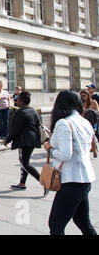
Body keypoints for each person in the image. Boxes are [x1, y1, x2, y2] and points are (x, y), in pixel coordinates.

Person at [43, 90, 97, 235]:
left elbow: (66, 155)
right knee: (83, 222)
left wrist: (50, 149)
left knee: (56, 224)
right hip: (84, 179)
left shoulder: (63, 123)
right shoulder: (84, 121)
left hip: (71, 180)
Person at [3, 92, 47, 196]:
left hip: (25, 141)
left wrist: (7, 140)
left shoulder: (20, 113)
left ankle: (44, 183)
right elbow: (38, 125)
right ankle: (22, 183)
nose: (16, 101)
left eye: (17, 99)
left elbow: (15, 130)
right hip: (32, 140)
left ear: (21, 102)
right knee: (24, 162)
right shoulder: (33, 110)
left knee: (25, 164)